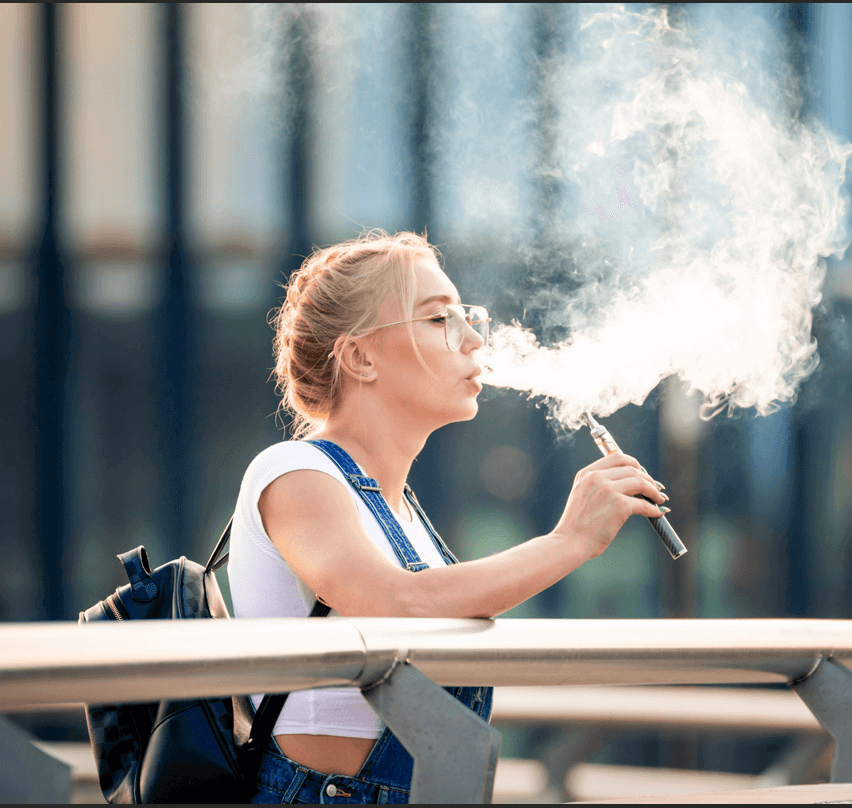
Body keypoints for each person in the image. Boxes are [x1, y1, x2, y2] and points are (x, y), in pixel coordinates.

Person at [228, 230, 669, 804]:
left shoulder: (402, 509)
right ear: (360, 356)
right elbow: (396, 602)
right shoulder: (291, 472)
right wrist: (571, 540)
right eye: (438, 320)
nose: (472, 341)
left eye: (468, 317)